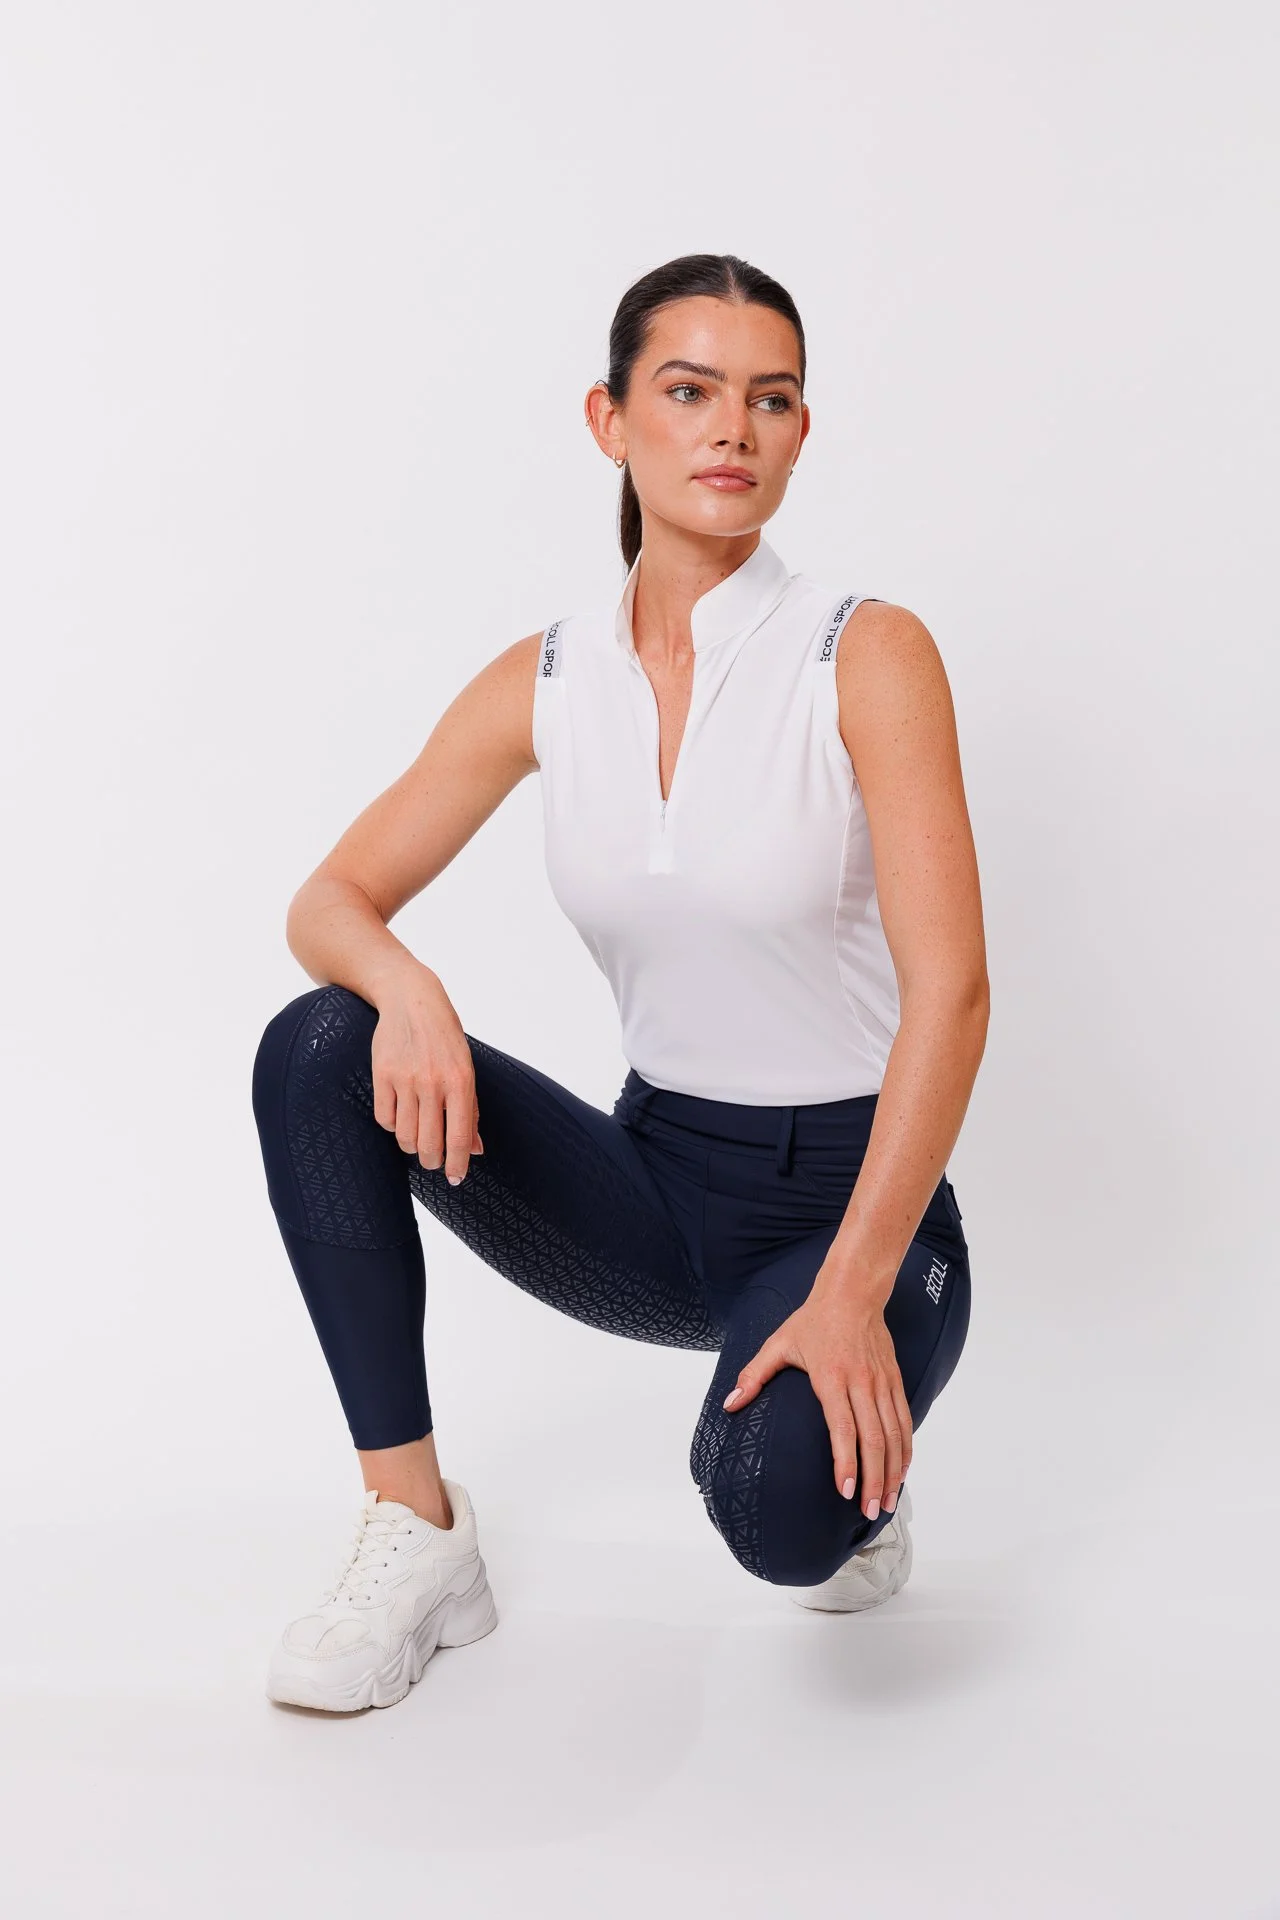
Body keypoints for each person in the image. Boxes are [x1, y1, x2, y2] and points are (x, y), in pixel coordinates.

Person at [251, 251, 988, 1714]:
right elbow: (328, 899)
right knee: (320, 1044)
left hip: (860, 1210)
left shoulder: (864, 652)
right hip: (653, 1185)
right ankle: (418, 1529)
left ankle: (855, 1489)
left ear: (800, 432)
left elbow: (954, 996)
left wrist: (848, 1296)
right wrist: (402, 984)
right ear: (611, 420)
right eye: (690, 390)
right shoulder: (550, 679)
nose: (733, 429)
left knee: (785, 1517)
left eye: (770, 399)